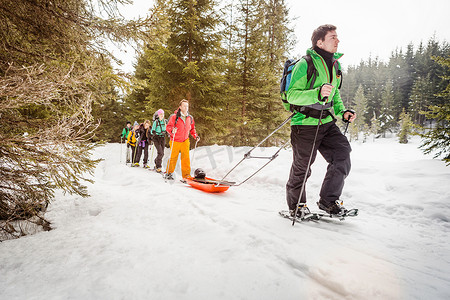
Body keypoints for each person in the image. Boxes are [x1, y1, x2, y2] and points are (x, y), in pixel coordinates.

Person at [285, 24, 356, 216]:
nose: (337, 40)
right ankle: (297, 205)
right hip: (304, 123)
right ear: (320, 42)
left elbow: (335, 95)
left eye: (337, 37)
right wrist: (316, 93)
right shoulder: (305, 63)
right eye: (333, 37)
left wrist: (342, 112)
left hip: (326, 122)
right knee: (303, 167)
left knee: (342, 153)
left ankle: (328, 201)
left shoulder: (335, 65)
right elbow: (292, 95)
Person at [165, 99, 200, 180]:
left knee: (185, 159)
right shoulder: (174, 117)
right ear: (180, 107)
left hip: (185, 140)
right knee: (173, 158)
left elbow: (192, 129)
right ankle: (169, 172)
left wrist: (195, 136)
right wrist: (172, 130)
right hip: (175, 140)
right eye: (184, 106)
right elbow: (168, 127)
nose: (186, 107)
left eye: (187, 106)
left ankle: (186, 176)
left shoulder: (190, 118)